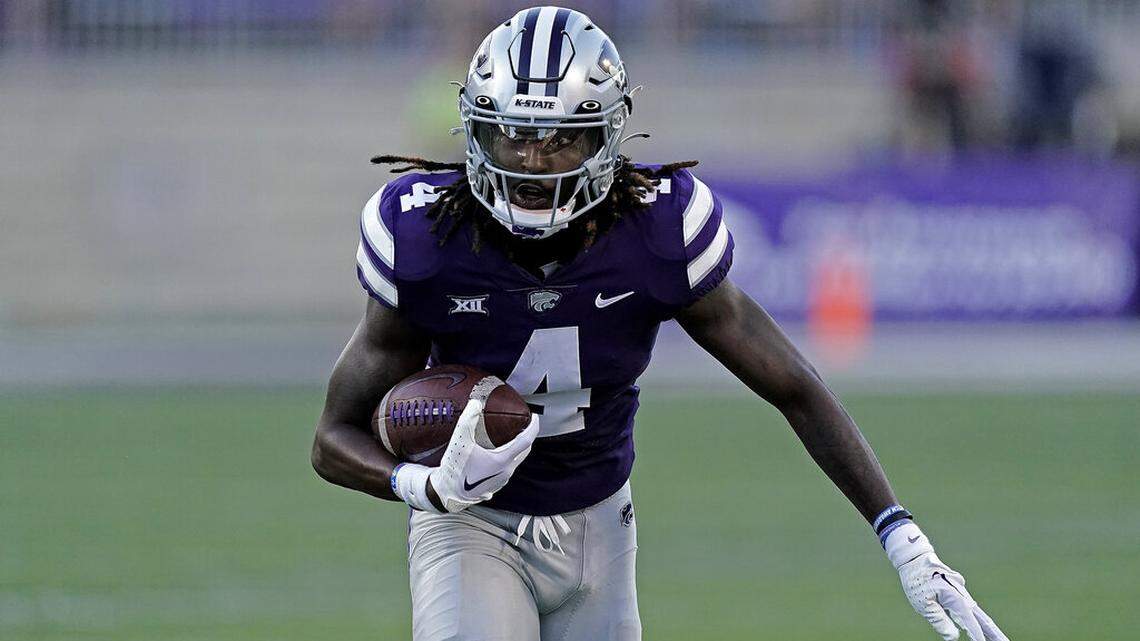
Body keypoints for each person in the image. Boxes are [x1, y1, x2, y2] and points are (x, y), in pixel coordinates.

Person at [311, 7, 1009, 641]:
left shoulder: (657, 230)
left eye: (560, 140)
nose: (530, 161)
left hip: (602, 530)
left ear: (608, 136)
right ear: (475, 127)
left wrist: (900, 534)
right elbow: (332, 437)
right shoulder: (425, 238)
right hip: (471, 528)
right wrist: (420, 486)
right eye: (512, 134)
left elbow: (793, 385)